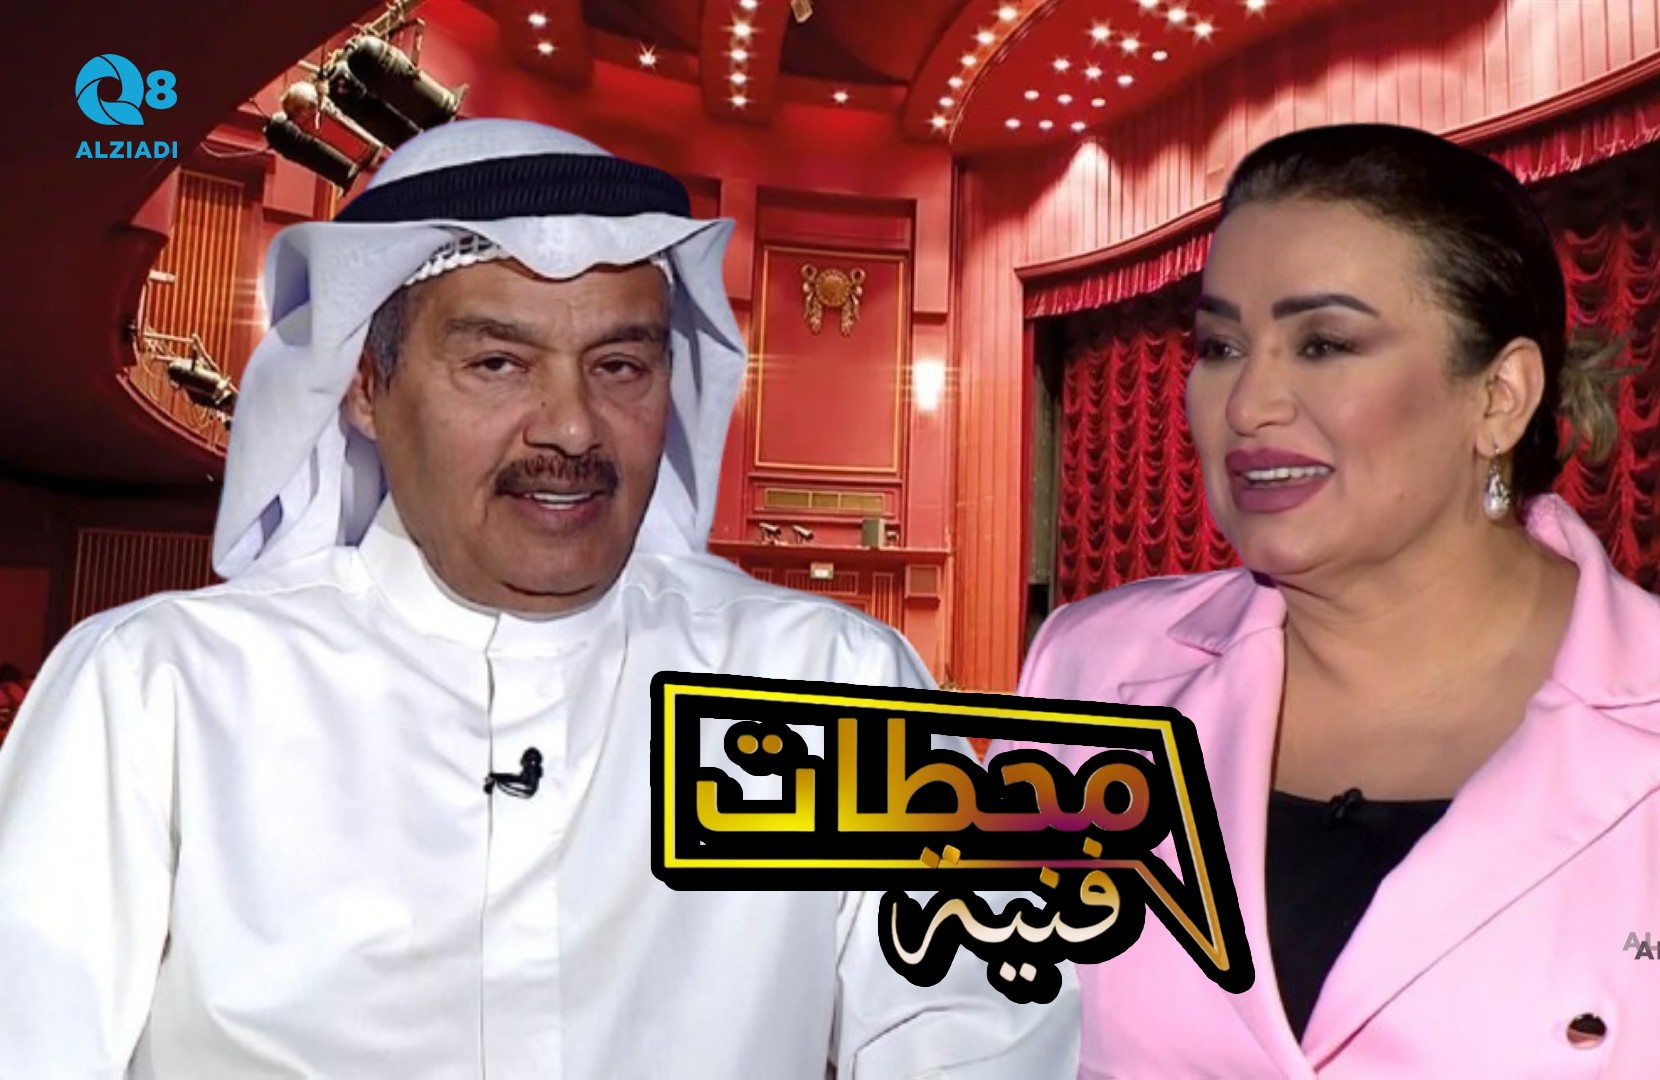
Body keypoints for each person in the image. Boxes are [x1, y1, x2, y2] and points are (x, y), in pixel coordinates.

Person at [0, 119, 1077, 1078]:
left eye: (619, 367)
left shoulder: (830, 684)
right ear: (367, 388)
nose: (570, 427)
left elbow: (977, 1026)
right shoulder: (159, 694)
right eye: (498, 364)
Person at [1006, 123, 1660, 1077]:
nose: (1246, 405)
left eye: (1323, 343)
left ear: (1499, 396)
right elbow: (977, 1030)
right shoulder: (1088, 675)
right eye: (1222, 345)